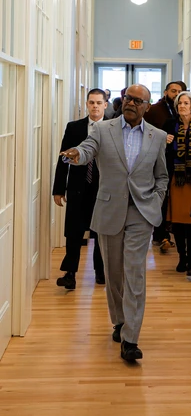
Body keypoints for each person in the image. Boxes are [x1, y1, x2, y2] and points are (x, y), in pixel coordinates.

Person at [60, 84, 168, 362]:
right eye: (127, 98)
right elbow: (87, 149)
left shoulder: (157, 137)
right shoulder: (102, 129)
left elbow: (162, 176)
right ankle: (119, 320)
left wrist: (155, 200)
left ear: (147, 105)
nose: (131, 103)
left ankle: (131, 338)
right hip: (109, 210)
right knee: (114, 273)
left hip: (141, 213)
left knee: (135, 273)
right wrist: (76, 155)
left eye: (138, 100)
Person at [53, 88, 108, 290]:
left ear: (105, 105)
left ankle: (101, 272)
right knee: (74, 232)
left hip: (103, 189)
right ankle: (70, 274)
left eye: (98, 103)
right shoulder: (74, 127)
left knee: (101, 232)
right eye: (91, 102)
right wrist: (58, 188)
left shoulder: (112, 128)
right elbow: (63, 158)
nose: (94, 106)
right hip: (77, 187)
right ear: (87, 104)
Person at [163, 91, 191, 275]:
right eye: (180, 103)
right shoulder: (169, 125)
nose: (182, 106)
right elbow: (159, 152)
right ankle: (181, 258)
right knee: (179, 222)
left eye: (186, 103)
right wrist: (164, 142)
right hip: (176, 180)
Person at [145, 81, 183, 253]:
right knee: (160, 196)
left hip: (178, 161)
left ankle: (170, 232)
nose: (176, 94)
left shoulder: (183, 110)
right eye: (173, 91)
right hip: (156, 158)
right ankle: (159, 234)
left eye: (179, 91)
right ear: (166, 92)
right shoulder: (154, 110)